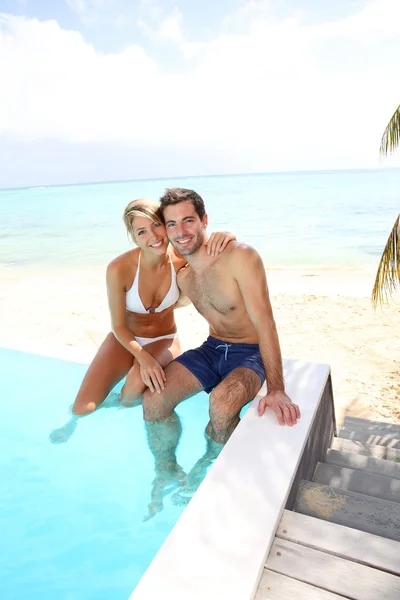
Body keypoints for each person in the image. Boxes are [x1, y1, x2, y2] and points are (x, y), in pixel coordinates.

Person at [141, 188, 301, 511]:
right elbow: (145, 271)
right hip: (213, 348)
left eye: (188, 221)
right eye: (171, 224)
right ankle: (167, 469)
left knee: (222, 404)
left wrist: (277, 388)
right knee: (154, 399)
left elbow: (266, 323)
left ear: (204, 221)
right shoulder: (182, 276)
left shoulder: (240, 257)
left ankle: (210, 467)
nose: (181, 231)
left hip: (249, 352)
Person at [49, 198, 234, 443]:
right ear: (134, 237)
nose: (153, 236)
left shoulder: (180, 258)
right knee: (82, 408)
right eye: (141, 232)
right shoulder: (119, 268)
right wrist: (143, 358)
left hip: (164, 338)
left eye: (157, 225)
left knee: (135, 386)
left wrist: (227, 235)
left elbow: (211, 247)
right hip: (125, 337)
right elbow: (117, 326)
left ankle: (120, 403)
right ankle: (80, 418)